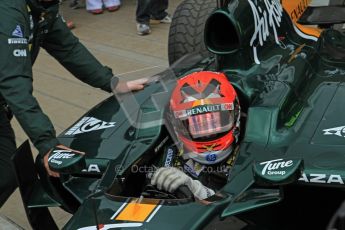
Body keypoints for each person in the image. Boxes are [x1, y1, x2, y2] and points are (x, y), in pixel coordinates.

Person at [0, 0, 147, 207]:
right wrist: (47, 144)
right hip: (7, 93)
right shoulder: (9, 10)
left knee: (5, 174)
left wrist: (112, 83)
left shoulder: (44, 6)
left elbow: (68, 47)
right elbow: (14, 82)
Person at [150, 71, 241, 200]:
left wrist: (196, 189)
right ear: (177, 124)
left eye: (215, 120)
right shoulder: (170, 153)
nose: (208, 132)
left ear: (235, 113)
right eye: (196, 123)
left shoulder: (249, 149)